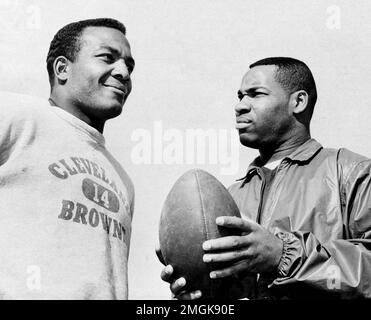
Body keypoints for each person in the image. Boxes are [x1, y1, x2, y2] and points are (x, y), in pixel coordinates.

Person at [157, 57, 371, 299]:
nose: (240, 106)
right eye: (240, 97)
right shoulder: (230, 197)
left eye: (255, 94)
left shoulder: (350, 172)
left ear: (298, 102)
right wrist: (196, 294)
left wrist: (282, 255)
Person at [0, 18, 135, 299]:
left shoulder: (123, 179)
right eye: (107, 58)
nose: (123, 72)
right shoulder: (17, 114)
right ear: (62, 69)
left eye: (129, 66)